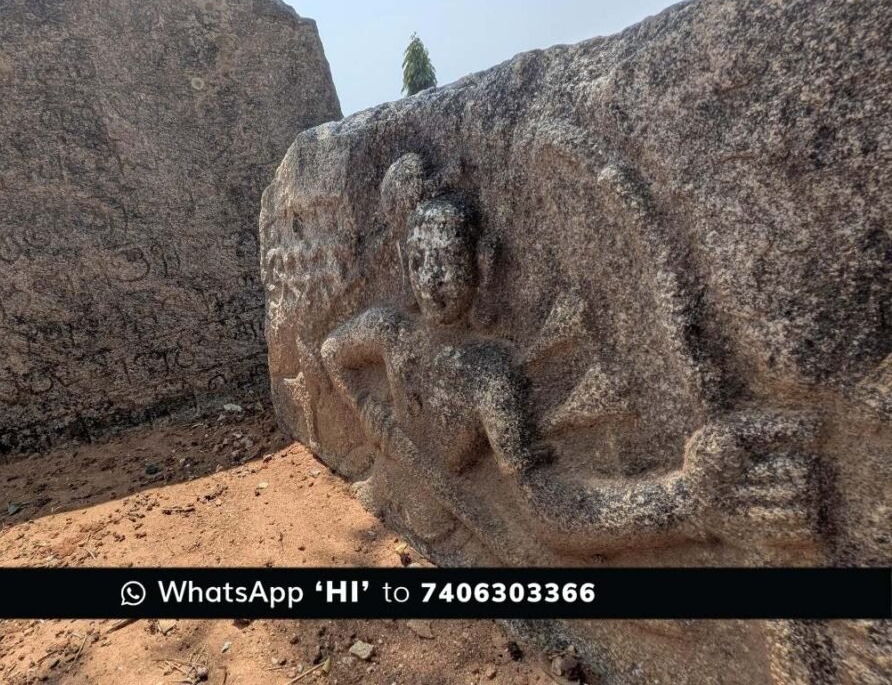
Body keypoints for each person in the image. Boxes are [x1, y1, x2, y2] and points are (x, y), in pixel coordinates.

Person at [320, 198, 818, 557]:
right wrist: (368, 414)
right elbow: (332, 352)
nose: (434, 279)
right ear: (406, 265)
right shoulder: (389, 331)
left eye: (448, 260)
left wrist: (684, 502)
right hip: (395, 497)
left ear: (482, 264)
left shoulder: (488, 375)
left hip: (451, 525)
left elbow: (546, 509)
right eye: (422, 262)